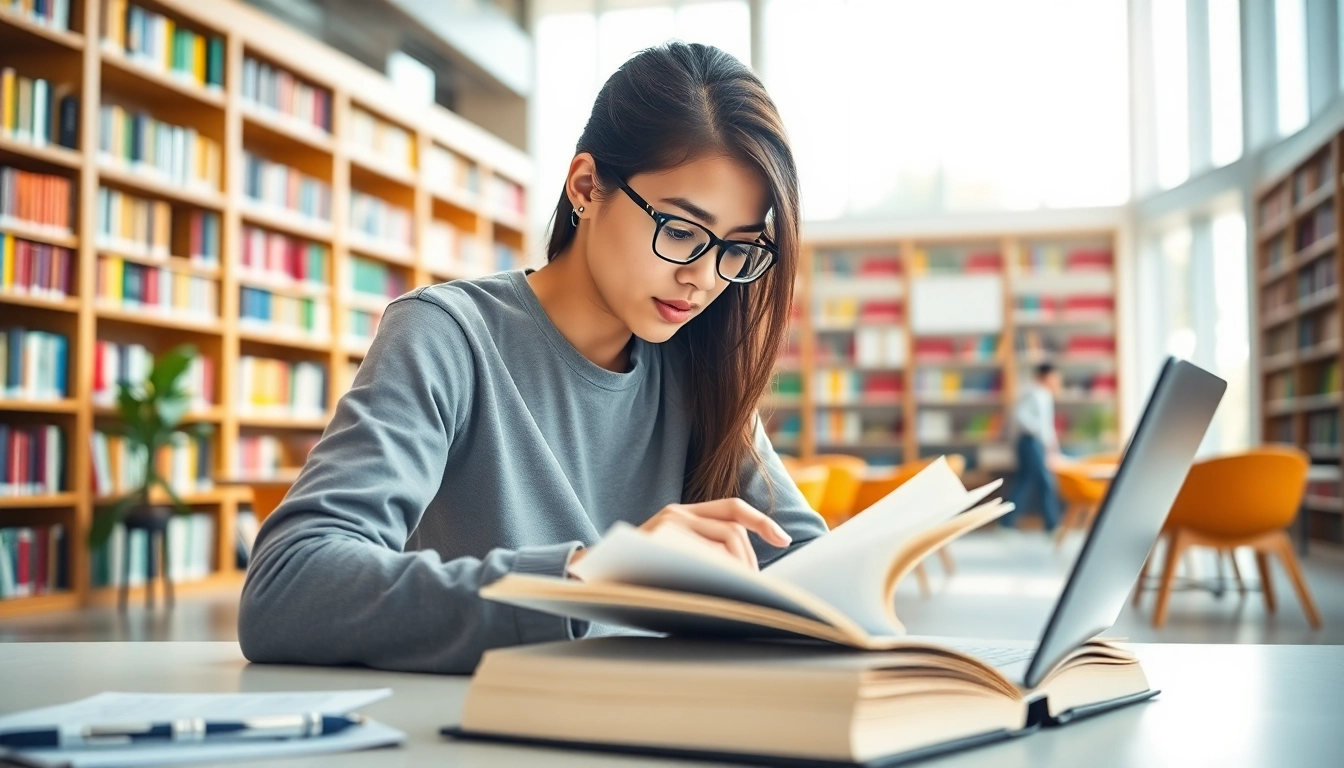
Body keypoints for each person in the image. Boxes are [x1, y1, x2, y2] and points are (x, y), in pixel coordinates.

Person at [237, 43, 829, 674]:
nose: (704, 279)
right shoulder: (447, 336)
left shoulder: (698, 369)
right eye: (681, 232)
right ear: (586, 187)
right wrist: (591, 579)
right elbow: (288, 586)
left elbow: (808, 572)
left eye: (735, 250)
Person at [1000, 362, 1064, 531]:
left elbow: (1047, 425)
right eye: (1055, 376)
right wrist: (1039, 433)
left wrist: (1051, 443)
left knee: (1025, 481)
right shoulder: (1034, 393)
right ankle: (1052, 524)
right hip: (1030, 442)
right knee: (1044, 481)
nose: (1057, 380)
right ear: (1047, 376)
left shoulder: (1044, 394)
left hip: (1035, 442)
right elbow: (1021, 416)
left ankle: (1007, 522)